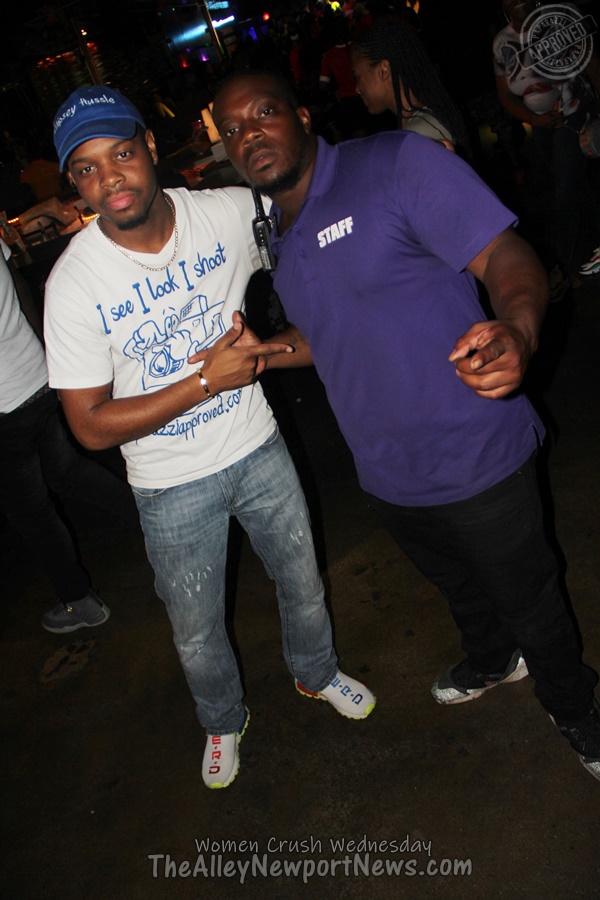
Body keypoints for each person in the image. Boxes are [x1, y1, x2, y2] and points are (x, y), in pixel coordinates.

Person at [211, 69, 600, 781]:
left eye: (264, 112)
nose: (249, 134)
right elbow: (326, 330)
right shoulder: (279, 237)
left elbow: (505, 255)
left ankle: (575, 705)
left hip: (477, 450)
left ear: (302, 115)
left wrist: (517, 327)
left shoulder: (393, 163)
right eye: (232, 129)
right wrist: (266, 353)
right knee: (458, 586)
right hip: (386, 473)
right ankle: (493, 659)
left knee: (531, 599)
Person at [43, 86, 375, 791]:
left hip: (257, 444)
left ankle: (315, 672)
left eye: (121, 155)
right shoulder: (73, 282)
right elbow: (88, 424)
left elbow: (309, 206)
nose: (110, 180)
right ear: (75, 183)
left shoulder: (224, 212)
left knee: (303, 582)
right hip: (167, 485)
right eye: (87, 169)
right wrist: (204, 382)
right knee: (195, 630)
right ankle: (222, 720)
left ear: (150, 147)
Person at [0, 235, 139, 633]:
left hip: (5, 405)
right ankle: (152, 517)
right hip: (35, 375)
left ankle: (79, 600)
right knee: (67, 472)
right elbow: (17, 284)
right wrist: (43, 351)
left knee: (33, 513)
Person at [494, 0, 600, 297]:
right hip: (542, 127)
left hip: (573, 117)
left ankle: (561, 268)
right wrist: (534, 119)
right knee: (576, 186)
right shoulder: (502, 43)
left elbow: (593, 65)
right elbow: (505, 95)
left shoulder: (557, 21)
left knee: (564, 193)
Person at [350, 17, 471, 156]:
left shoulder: (420, 134)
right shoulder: (423, 121)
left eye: (357, 76)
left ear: (384, 69)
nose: (357, 89)